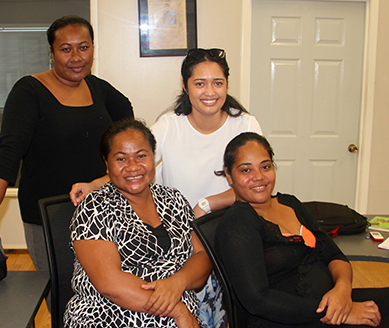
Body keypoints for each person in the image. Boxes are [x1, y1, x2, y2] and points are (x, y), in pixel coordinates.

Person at [69, 48, 262, 327]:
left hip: (223, 227)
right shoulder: (170, 125)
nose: (209, 91)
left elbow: (255, 183)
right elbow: (134, 157)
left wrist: (177, 284)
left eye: (217, 82)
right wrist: (94, 185)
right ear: (185, 86)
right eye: (199, 83)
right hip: (117, 314)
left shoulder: (243, 126)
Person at [214, 132, 389, 327]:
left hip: (331, 303)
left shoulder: (290, 203)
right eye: (246, 170)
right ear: (229, 176)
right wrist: (339, 313)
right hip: (290, 318)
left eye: (265, 166)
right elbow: (258, 301)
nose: (259, 177)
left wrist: (343, 290)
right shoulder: (237, 225)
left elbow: (334, 256)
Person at [0, 15, 134, 273]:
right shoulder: (29, 91)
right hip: (49, 215)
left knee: (104, 290)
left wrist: (114, 170)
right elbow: (9, 152)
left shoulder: (99, 89)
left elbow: (128, 129)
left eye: (83, 47)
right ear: (51, 52)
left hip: (99, 210)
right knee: (61, 294)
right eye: (66, 49)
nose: (76, 57)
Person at [65, 118, 211, 328]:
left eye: (141, 156)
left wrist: (177, 283)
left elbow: (201, 256)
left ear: (154, 158)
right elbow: (110, 284)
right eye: (121, 159)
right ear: (107, 165)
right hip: (107, 317)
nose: (133, 167)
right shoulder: (94, 207)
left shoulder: (174, 199)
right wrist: (178, 311)